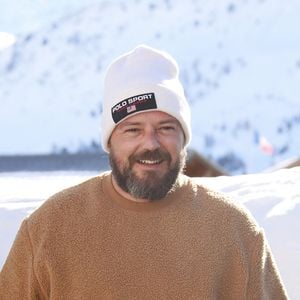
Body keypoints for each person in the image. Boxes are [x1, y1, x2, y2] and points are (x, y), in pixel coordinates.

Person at [0, 45, 288, 299]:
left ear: (183, 138)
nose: (150, 144)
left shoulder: (233, 229)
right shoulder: (49, 228)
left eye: (165, 128)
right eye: (133, 130)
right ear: (110, 140)